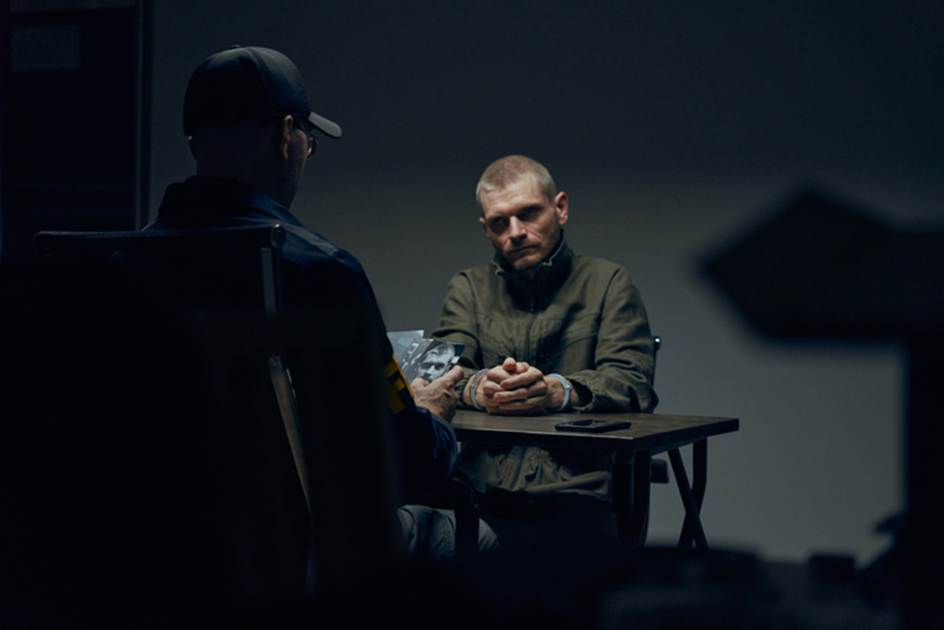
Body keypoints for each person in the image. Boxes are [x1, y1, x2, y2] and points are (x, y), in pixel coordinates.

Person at [146, 46, 489, 594]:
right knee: (476, 536)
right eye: (310, 140)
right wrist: (432, 417)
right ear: (287, 136)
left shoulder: (125, 262)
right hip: (289, 561)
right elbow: (403, 463)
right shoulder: (318, 270)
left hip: (154, 554)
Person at [432, 154, 658, 553]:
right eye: (500, 222)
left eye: (529, 214)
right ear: (486, 230)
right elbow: (442, 374)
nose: (515, 232)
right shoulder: (468, 287)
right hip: (476, 493)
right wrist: (481, 387)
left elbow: (631, 380)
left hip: (574, 497)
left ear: (561, 208)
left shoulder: (608, 283)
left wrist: (557, 391)